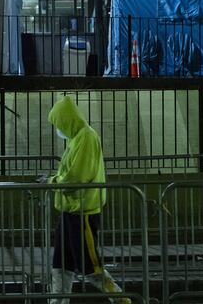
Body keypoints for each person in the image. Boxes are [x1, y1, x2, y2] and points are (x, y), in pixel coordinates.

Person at [42, 96, 129, 304]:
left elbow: (76, 177)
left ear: (66, 120)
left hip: (82, 212)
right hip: (70, 210)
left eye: (58, 124)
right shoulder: (76, 139)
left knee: (90, 264)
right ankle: (58, 301)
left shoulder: (86, 138)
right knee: (61, 262)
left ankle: (120, 298)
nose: (57, 129)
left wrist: (52, 181)